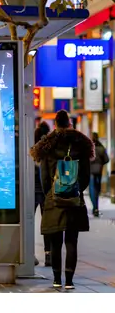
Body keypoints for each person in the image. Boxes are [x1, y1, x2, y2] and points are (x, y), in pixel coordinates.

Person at [30, 110, 94, 289]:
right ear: (69, 124)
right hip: (74, 200)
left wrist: (51, 193)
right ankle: (70, 281)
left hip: (53, 200)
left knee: (55, 241)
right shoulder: (81, 144)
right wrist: (75, 191)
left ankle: (57, 279)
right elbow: (86, 176)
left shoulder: (47, 145)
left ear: (55, 124)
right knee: (72, 241)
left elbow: (43, 177)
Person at [34, 121, 51, 267]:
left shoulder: (32, 150)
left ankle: (29, 254)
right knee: (47, 224)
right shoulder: (50, 150)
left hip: (31, 191)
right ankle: (48, 254)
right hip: (46, 192)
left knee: (28, 222)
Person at [89, 132, 109, 218]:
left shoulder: (89, 148)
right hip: (99, 171)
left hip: (91, 172)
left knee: (92, 190)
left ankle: (95, 208)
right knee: (97, 189)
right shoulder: (101, 148)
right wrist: (100, 164)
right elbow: (107, 159)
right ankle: (96, 207)